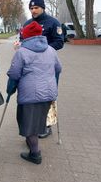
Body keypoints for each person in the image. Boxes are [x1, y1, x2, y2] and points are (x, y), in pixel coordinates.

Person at [7, 21, 62, 164]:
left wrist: (9, 90)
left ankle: (35, 154)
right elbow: (58, 69)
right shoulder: (51, 50)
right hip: (48, 94)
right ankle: (33, 144)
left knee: (28, 125)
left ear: (26, 36)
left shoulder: (22, 52)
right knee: (38, 122)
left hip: (29, 96)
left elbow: (14, 74)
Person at [20, 0, 64, 138]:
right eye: (31, 8)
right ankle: (32, 125)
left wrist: (43, 51)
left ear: (42, 7)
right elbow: (22, 40)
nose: (33, 10)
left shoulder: (53, 23)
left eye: (36, 8)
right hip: (30, 68)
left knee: (48, 95)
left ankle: (47, 125)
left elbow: (59, 42)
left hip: (48, 66)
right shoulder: (27, 23)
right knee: (33, 95)